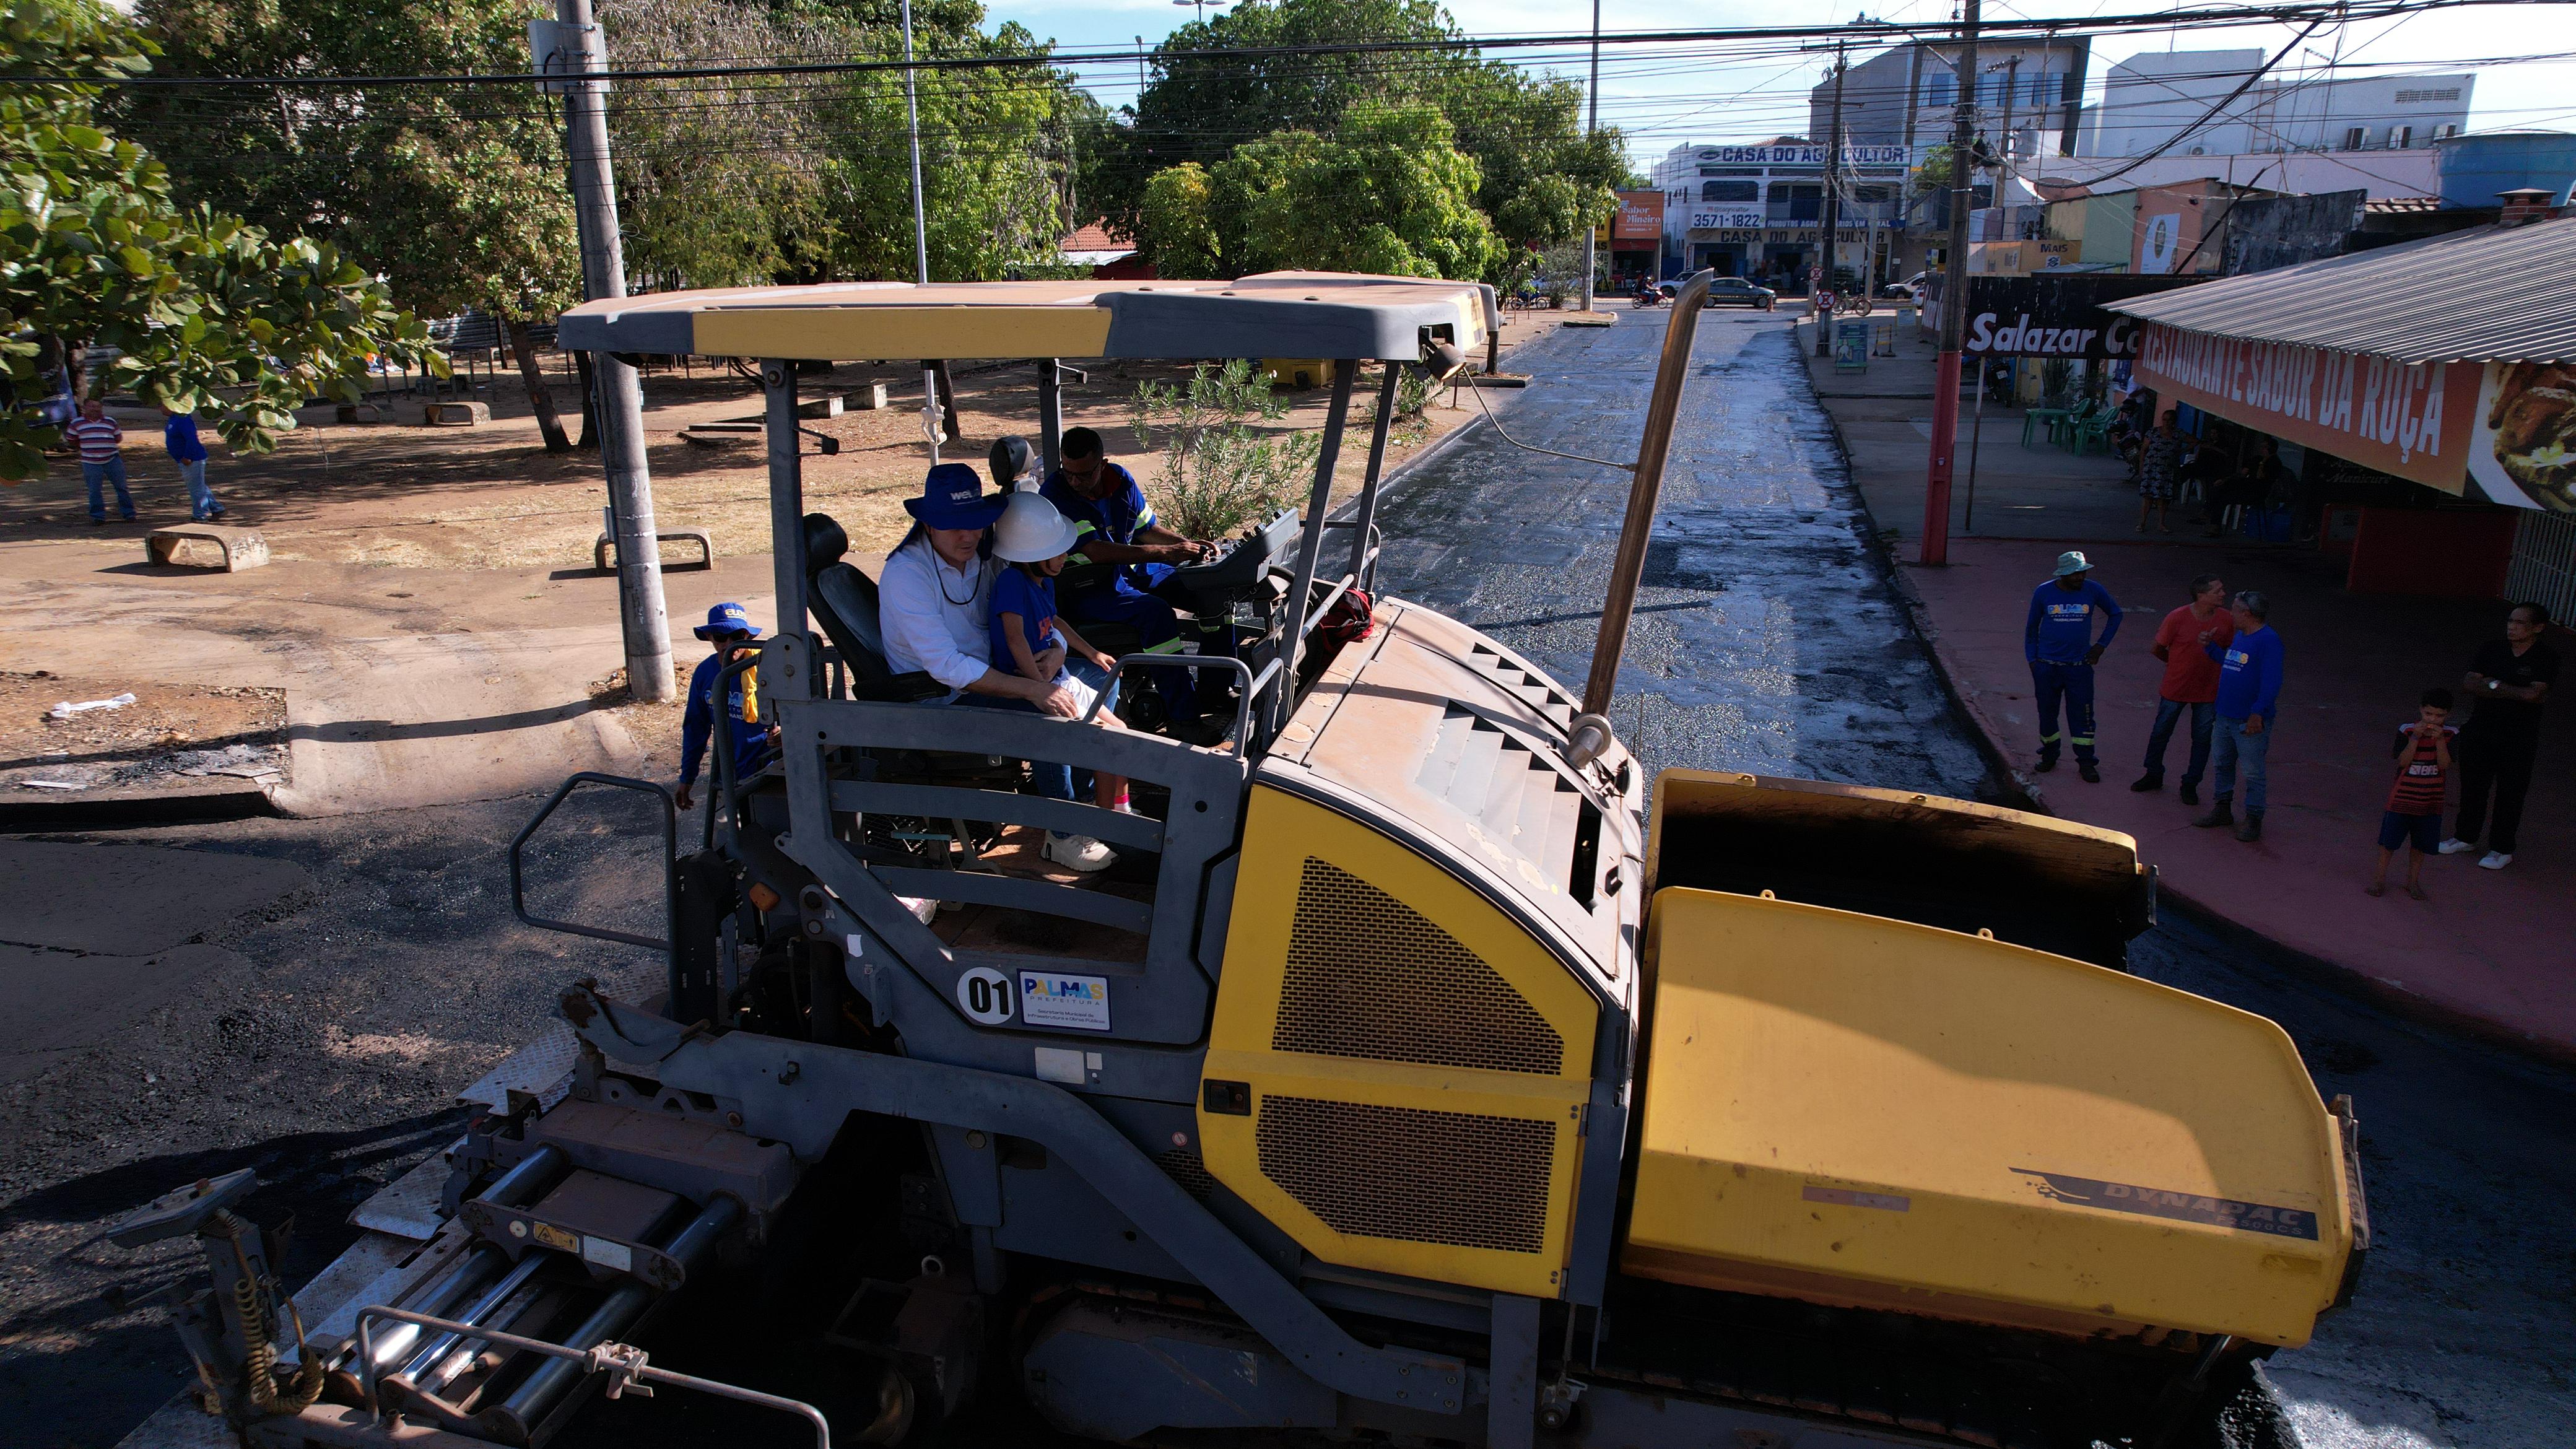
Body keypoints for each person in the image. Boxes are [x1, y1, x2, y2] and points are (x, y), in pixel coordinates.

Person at [879, 463, 1121, 871]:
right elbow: (946, 666)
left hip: (994, 675)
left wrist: (1059, 650)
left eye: (975, 524)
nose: (968, 535)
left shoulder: (984, 557)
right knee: (1049, 717)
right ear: (927, 523)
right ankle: (1062, 834)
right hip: (942, 699)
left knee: (1103, 679)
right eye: (955, 526)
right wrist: (1032, 689)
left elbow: (1035, 609)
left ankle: (1078, 800)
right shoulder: (906, 575)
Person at [1040, 426, 1225, 731]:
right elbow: (1097, 552)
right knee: (1155, 614)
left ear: (1103, 464)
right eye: (1068, 473)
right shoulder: (1055, 495)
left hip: (1131, 573)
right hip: (1087, 587)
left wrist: (1188, 545)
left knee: (1209, 589)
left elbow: (1146, 530)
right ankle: (1184, 718)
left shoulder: (1121, 480)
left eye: (1084, 475)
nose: (1075, 482)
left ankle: (1216, 692)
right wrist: (1165, 554)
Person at [990, 492, 1134, 827]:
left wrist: (1092, 652)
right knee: (1104, 740)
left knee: (1123, 733)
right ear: (1029, 554)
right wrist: (1038, 687)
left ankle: (1119, 813)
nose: (1064, 557)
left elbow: (1055, 622)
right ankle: (1104, 823)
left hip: (1059, 677)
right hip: (1041, 682)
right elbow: (1014, 637)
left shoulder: (1043, 582)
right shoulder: (1012, 582)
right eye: (1054, 552)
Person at [2437, 601, 2559, 871]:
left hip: (2519, 736)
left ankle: (2501, 849)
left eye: (2520, 623)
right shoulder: (2492, 648)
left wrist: (2492, 685)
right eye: (2510, 621)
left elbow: (2535, 694)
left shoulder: (2546, 657)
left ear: (2538, 628)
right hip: (2481, 729)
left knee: (2511, 793)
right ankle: (2465, 837)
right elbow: (2470, 683)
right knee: (2473, 787)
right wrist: (2510, 689)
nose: (2512, 627)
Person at [2023, 550, 2122, 783]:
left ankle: (2086, 762)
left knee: (2083, 716)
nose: (2080, 578)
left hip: (2079, 668)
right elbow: (2031, 630)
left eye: (2083, 573)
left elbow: (2115, 614)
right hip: (2047, 667)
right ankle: (2049, 754)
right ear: (2062, 575)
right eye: (2075, 574)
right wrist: (2033, 661)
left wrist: (2101, 646)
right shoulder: (2043, 592)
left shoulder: (2094, 590)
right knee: (2047, 713)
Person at [2193, 590, 2284, 843]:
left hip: (2247, 720)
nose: (2230, 613)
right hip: (2225, 715)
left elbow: (2272, 681)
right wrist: (2210, 648)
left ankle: (2254, 818)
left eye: (2235, 608)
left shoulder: (2268, 641)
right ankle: (2223, 809)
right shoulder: (2242, 636)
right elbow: (2232, 663)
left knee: (2252, 772)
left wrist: (2258, 712)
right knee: (2222, 764)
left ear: (2247, 613)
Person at [2134, 572, 2232, 802]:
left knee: (2202, 738)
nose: (2223, 594)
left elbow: (2231, 651)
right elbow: (2157, 648)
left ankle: (2191, 783)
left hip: (2208, 691)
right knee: (2161, 732)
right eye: (2217, 591)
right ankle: (2153, 773)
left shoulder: (2227, 620)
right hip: (2176, 688)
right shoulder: (2177, 617)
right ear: (2201, 595)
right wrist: (2176, 663)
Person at [674, 602, 777, 811]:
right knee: (725, 835)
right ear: (710, 637)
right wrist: (687, 777)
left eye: (737, 636)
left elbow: (796, 715)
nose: (730, 644)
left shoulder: (766, 671)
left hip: (769, 774)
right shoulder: (705, 673)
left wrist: (786, 733)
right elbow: (696, 728)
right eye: (721, 636)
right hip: (728, 777)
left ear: (747, 637)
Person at [2370, 689, 2456, 900]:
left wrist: (2439, 742)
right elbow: (2403, 761)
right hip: (2401, 800)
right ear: (2421, 710)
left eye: (2439, 716)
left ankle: (2412, 883)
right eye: (2428, 714)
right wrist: (2416, 737)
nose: (2433, 720)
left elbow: (2445, 764)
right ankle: (2379, 881)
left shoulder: (2451, 735)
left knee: (2420, 847)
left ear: (2447, 715)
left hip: (2430, 802)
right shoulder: (2407, 731)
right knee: (2387, 845)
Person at [66, 398, 135, 524]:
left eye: (98, 406)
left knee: (122, 488)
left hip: (113, 459)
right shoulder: (76, 423)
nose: (95, 409)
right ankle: (98, 517)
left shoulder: (110, 421)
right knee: (94, 490)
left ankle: (129, 514)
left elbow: (118, 438)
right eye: (92, 406)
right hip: (90, 461)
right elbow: (72, 440)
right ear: (85, 407)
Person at [163, 405, 224, 522]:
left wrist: (188, 456)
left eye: (161, 405)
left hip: (192, 459)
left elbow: (192, 439)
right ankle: (217, 508)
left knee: (196, 489)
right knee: (199, 486)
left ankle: (200, 515)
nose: (160, 408)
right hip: (184, 459)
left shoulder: (183, 419)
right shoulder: (174, 418)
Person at [2136, 408, 2184, 534]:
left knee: (2163, 498)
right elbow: (2144, 450)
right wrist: (2142, 467)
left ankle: (2161, 524)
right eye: (2165, 419)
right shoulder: (2153, 432)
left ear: (2174, 421)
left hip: (2167, 470)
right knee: (2148, 497)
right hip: (2152, 468)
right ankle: (2142, 522)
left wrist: (2181, 452)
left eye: (2170, 420)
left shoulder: (2178, 434)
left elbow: (2194, 441)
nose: (2167, 423)